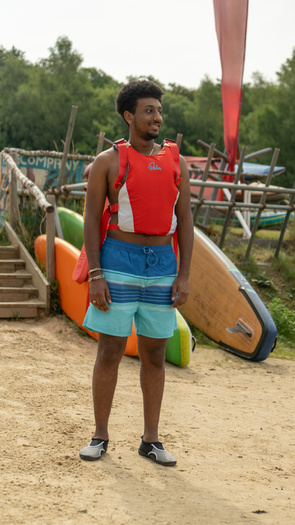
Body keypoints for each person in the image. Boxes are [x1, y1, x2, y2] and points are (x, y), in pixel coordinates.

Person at [78, 80, 193, 466]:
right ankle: (99, 435)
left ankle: (151, 440)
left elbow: (186, 221)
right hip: (117, 261)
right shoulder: (107, 163)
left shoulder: (177, 162)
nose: (157, 117)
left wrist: (184, 275)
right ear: (129, 116)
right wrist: (96, 273)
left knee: (155, 355)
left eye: (159, 110)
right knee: (110, 350)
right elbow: (92, 220)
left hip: (162, 266)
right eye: (148, 111)